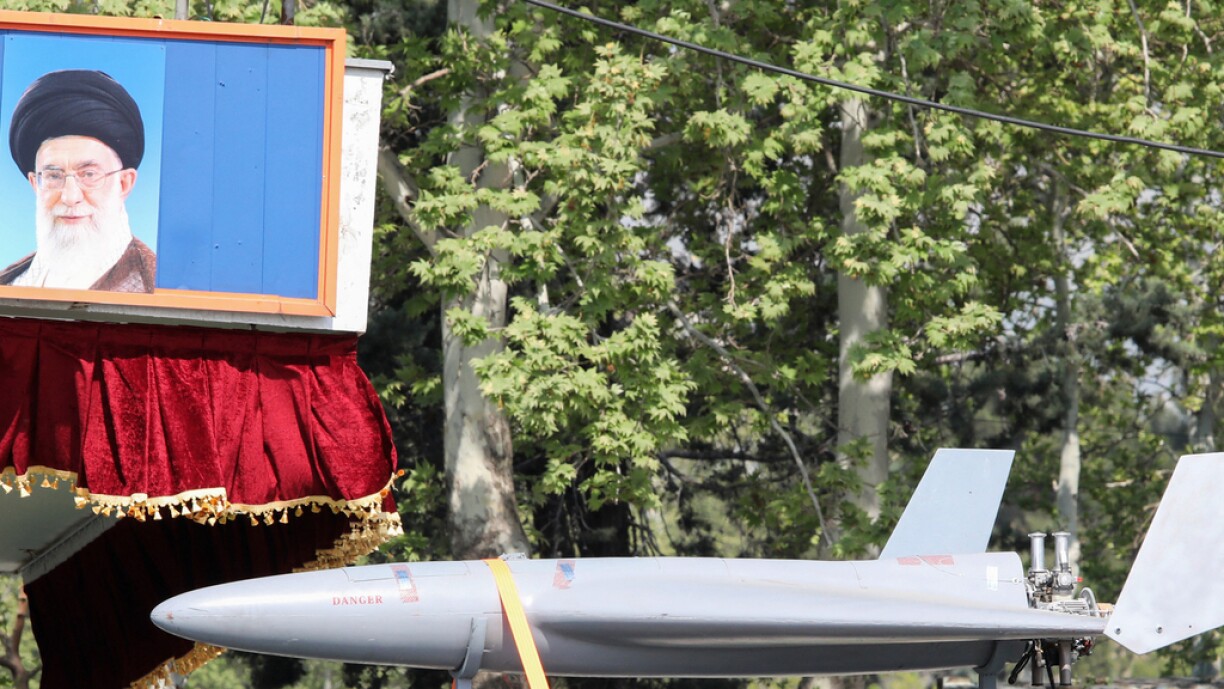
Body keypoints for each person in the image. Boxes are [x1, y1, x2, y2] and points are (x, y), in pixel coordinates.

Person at [0, 69, 155, 292]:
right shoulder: (10, 284)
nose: (70, 197)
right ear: (35, 184)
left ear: (124, 183)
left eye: (89, 175)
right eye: (54, 176)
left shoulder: (153, 288)